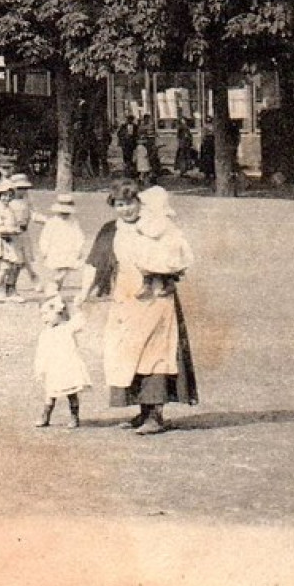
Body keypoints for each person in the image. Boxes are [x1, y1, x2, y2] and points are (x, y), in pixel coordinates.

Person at [84, 178, 199, 435]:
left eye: (130, 203)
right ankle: (142, 410)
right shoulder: (113, 230)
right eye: (119, 204)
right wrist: (85, 294)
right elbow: (96, 264)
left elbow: (175, 255)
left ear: (140, 203)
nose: (125, 210)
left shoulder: (158, 226)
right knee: (128, 351)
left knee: (154, 352)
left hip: (156, 298)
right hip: (126, 298)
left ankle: (155, 415)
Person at [33, 295, 90, 429]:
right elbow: (41, 353)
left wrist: (79, 308)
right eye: (42, 314)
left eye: (47, 314)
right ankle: (45, 416)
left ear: (59, 313)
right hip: (53, 368)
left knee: (71, 393)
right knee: (50, 394)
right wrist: (40, 369)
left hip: (68, 366)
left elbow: (80, 322)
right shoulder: (45, 334)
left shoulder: (67, 328)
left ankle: (74, 417)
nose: (44, 318)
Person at [35, 192, 87, 297]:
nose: (64, 215)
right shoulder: (52, 222)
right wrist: (44, 249)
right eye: (62, 212)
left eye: (67, 213)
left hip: (69, 249)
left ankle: (54, 285)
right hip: (55, 249)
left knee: (66, 269)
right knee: (57, 270)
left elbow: (79, 235)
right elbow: (45, 237)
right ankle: (52, 285)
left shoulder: (73, 222)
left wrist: (79, 248)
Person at [0, 186, 24, 301]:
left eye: (9, 195)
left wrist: (17, 228)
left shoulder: (10, 210)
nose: (6, 198)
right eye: (4, 195)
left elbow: (14, 225)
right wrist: (9, 230)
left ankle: (10, 290)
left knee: (15, 266)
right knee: (5, 267)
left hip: (10, 242)